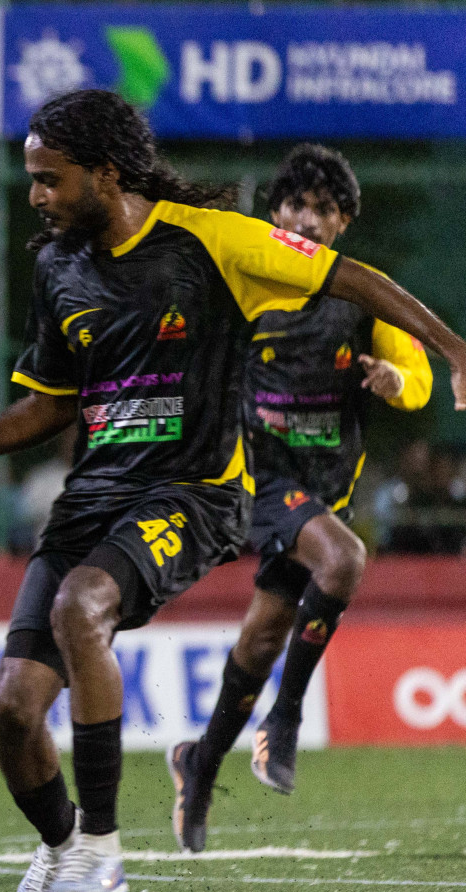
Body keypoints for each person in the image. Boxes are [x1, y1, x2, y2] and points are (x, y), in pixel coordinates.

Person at [0, 90, 466, 892]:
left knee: (78, 608)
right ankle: (61, 844)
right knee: (12, 710)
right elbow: (52, 403)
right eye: (32, 180)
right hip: (94, 500)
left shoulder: (211, 238)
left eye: (49, 179)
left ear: (105, 172)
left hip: (196, 493)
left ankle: (99, 843)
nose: (36, 196)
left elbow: (350, 275)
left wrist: (454, 350)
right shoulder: (58, 267)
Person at [168, 145, 433, 852]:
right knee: (344, 562)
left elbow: (418, 373)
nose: (307, 221)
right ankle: (282, 723)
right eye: (295, 206)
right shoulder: (250, 285)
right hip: (261, 479)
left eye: (323, 210)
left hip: (322, 493)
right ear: (274, 213)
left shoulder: (362, 294)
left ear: (343, 223)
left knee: (260, 637)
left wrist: (394, 381)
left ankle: (199, 763)